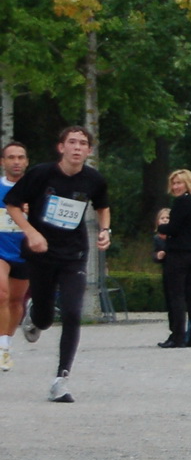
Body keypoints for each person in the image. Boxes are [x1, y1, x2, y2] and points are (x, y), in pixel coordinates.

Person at [5, 126, 111, 402]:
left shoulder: (94, 179)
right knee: (44, 319)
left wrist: (105, 230)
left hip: (74, 255)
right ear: (61, 147)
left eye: (83, 143)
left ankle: (61, 380)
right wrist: (31, 232)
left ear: (89, 151)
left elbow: (102, 206)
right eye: (72, 142)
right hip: (41, 254)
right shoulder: (41, 174)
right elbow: (12, 204)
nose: (77, 147)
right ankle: (35, 314)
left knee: (73, 312)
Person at [158, 169, 191, 348]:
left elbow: (173, 228)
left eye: (179, 183)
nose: (175, 186)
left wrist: (161, 228)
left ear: (187, 184)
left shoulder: (180, 203)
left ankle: (177, 336)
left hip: (178, 252)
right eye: (174, 183)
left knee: (176, 295)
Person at [0, 141, 32, 372]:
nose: (16, 162)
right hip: (0, 251)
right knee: (2, 294)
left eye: (20, 157)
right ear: (3, 162)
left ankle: (7, 342)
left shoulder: (36, 189)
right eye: (11, 157)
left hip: (24, 252)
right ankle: (1, 347)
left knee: (15, 301)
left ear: (27, 162)